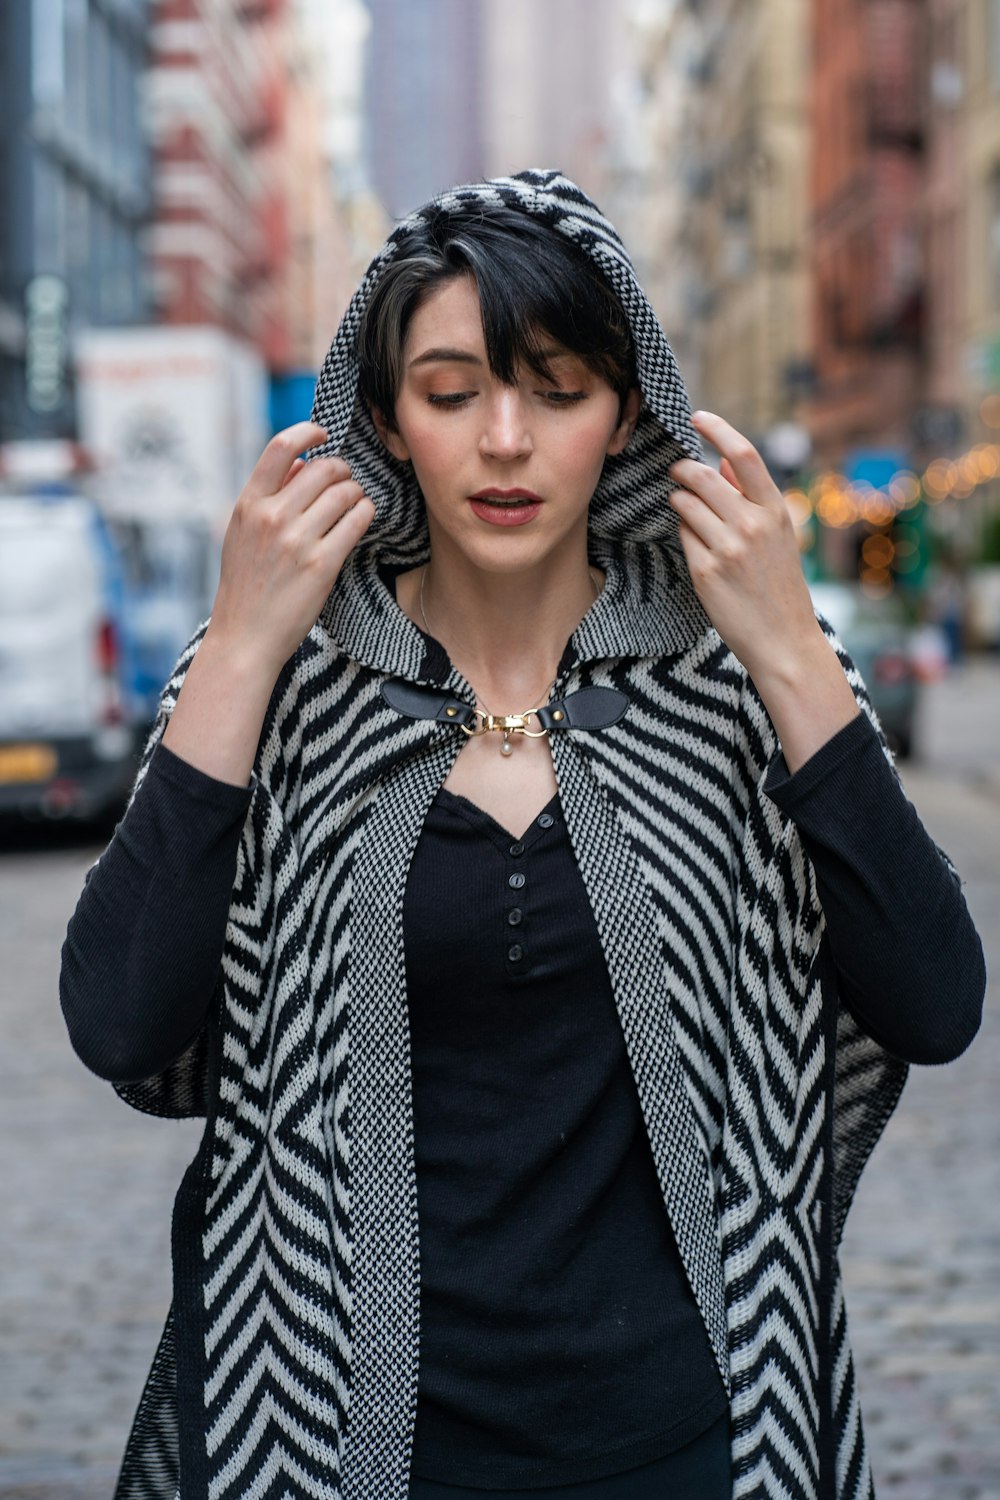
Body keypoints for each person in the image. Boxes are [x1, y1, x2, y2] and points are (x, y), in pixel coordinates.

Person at [60, 171, 985, 1500]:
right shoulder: (281, 684)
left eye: (558, 389)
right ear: (384, 416)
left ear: (625, 416)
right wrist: (247, 644)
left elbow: (935, 1001)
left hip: (689, 1442)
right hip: (330, 1438)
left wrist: (789, 651)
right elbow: (121, 1025)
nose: (505, 439)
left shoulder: (738, 679)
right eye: (451, 393)